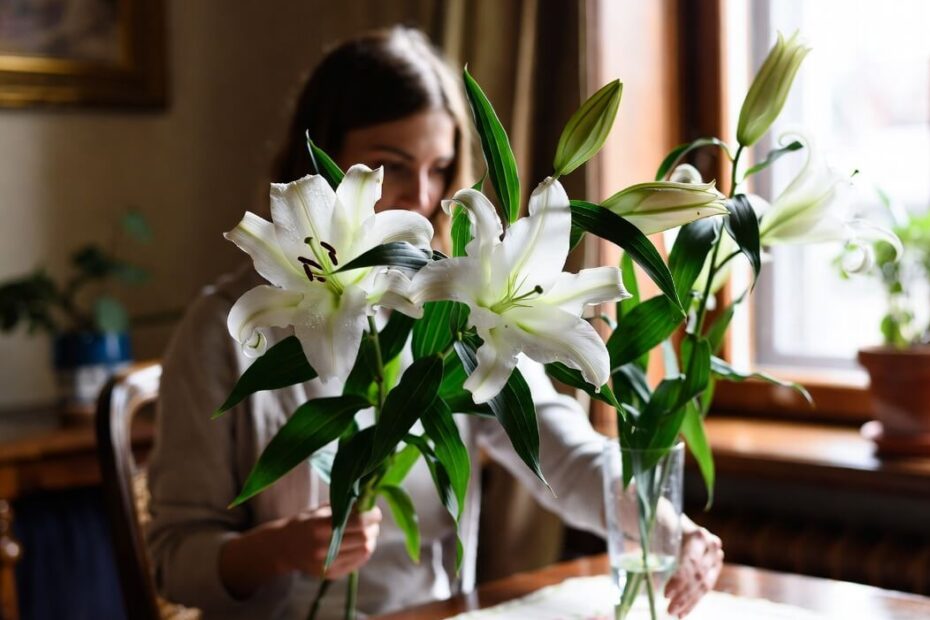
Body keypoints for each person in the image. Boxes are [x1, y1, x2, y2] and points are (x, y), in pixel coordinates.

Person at [146, 27, 723, 620]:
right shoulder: (219, 332)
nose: (421, 199)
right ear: (317, 163)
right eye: (389, 167)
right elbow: (174, 559)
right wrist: (274, 551)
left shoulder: (461, 306)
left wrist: (663, 521)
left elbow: (568, 454)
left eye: (441, 168)